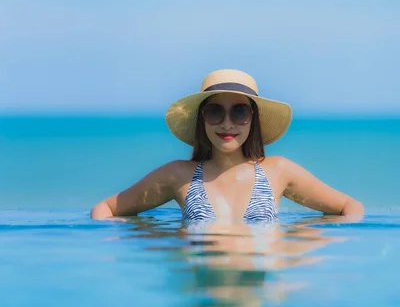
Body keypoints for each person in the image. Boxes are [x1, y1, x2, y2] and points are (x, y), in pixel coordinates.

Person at [90, 69, 364, 223]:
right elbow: (106, 208)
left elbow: (349, 207)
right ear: (202, 119)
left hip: (258, 295)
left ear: (253, 119)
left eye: (240, 112)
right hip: (201, 297)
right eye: (215, 112)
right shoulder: (179, 176)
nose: (227, 123)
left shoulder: (279, 171)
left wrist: (303, 246)